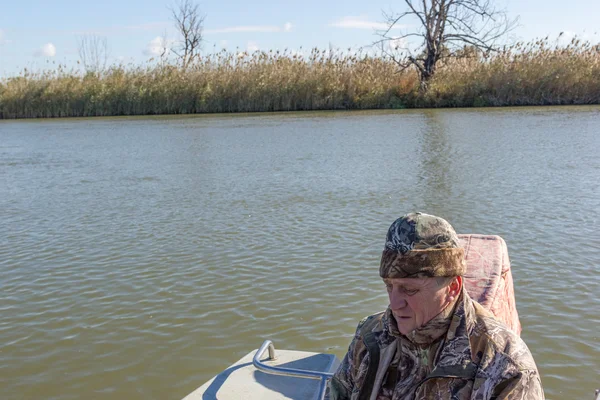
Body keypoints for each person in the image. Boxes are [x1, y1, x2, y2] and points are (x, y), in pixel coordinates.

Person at [328, 212, 544, 400]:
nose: (394, 304)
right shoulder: (370, 335)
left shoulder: (506, 365)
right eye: (389, 286)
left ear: (452, 287)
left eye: (409, 290)